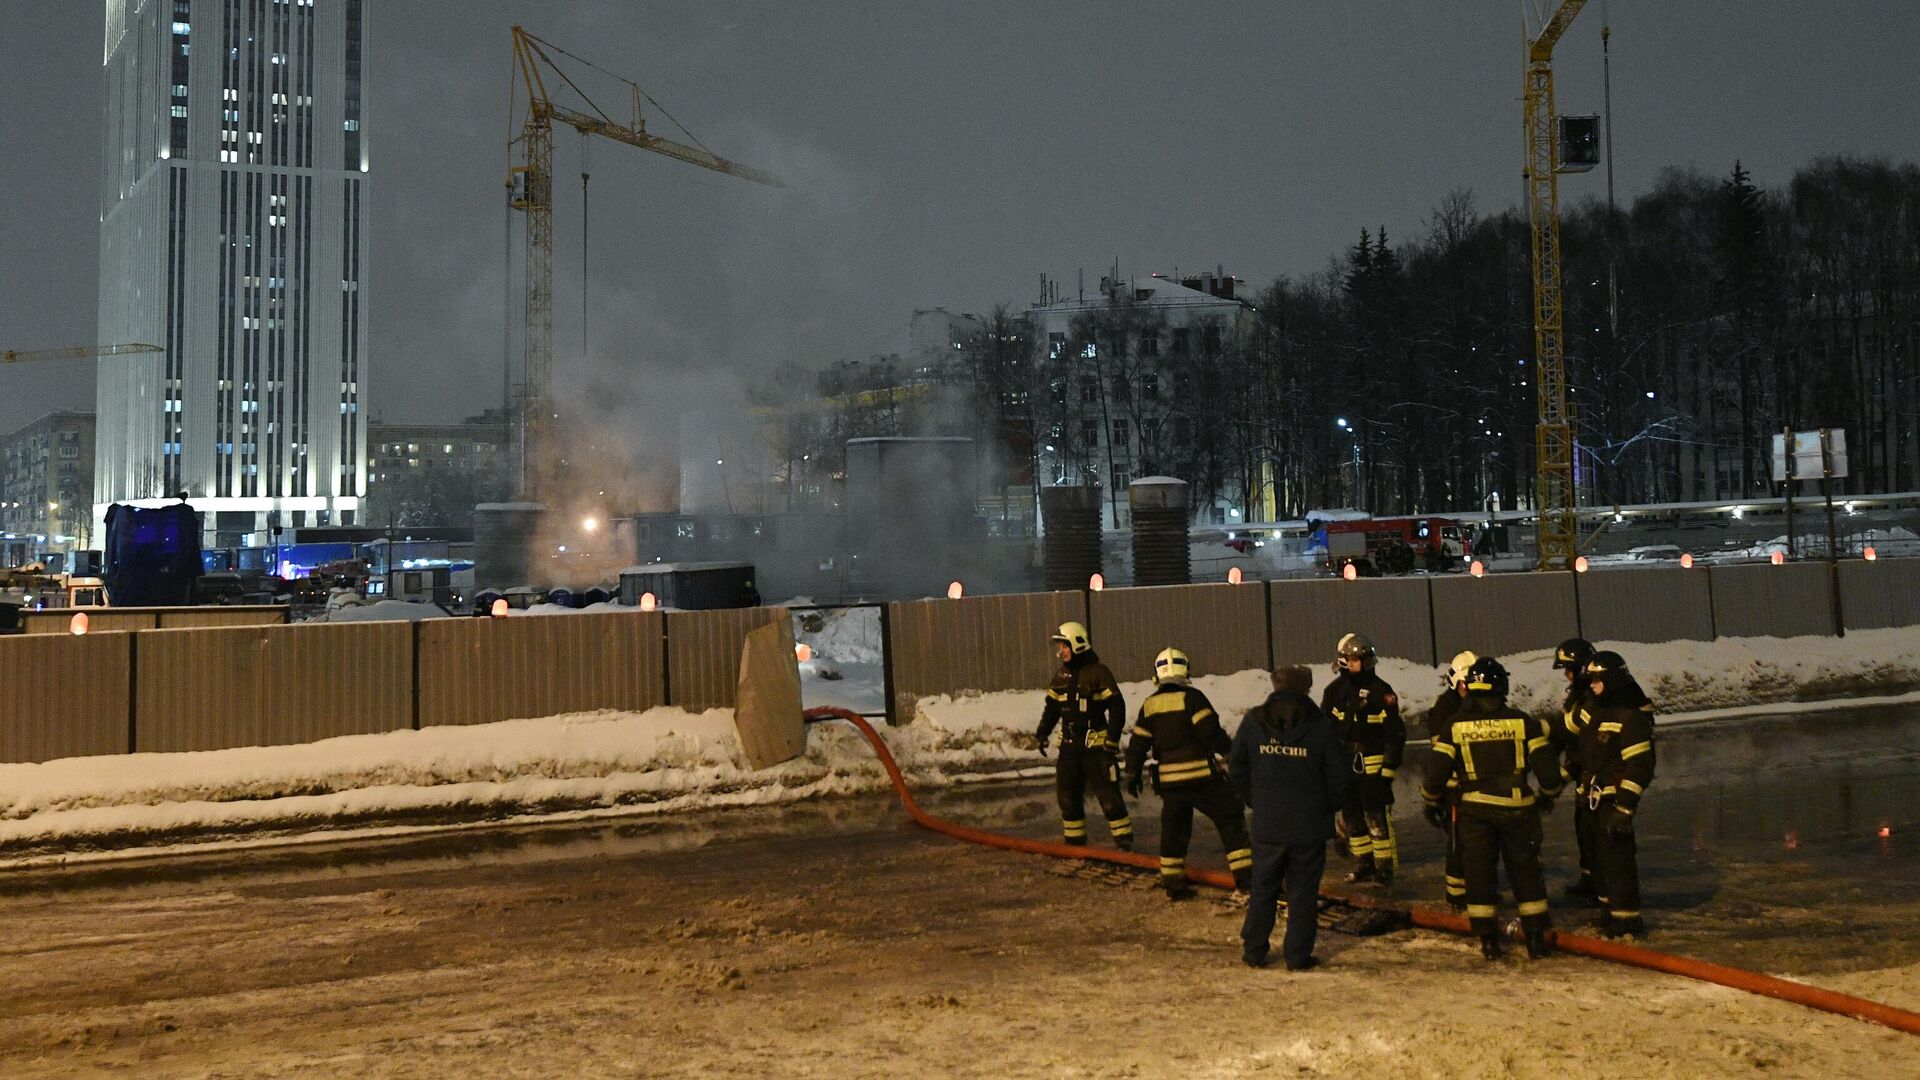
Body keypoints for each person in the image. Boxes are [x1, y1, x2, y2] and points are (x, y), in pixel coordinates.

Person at [1421, 656, 1562, 960]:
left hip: (1475, 811)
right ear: (1502, 686)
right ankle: (1535, 938)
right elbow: (1549, 774)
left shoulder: (1454, 725)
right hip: (1518, 808)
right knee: (1526, 872)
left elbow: (1436, 774)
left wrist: (1430, 800)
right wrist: (1547, 796)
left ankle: (1488, 941)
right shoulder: (1523, 721)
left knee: (1480, 873)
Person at [1231, 665, 1350, 971]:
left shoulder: (1253, 722)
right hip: (1308, 827)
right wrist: (1326, 807)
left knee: (1263, 888)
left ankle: (1254, 949)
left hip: (1268, 824)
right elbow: (1339, 778)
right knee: (1302, 893)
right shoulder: (1321, 726)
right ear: (1306, 689)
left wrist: (1256, 801)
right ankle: (1297, 955)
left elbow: (1237, 769)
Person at [1124, 648, 1253, 899]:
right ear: (1185, 669)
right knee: (1230, 819)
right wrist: (1234, 757)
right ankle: (1246, 882)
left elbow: (1138, 743)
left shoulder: (1150, 704)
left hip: (1171, 784)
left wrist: (1132, 772)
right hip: (1202, 779)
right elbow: (1211, 734)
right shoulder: (1194, 698)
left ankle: (1173, 883)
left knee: (1174, 830)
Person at [1577, 650, 1657, 938]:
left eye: (1597, 679)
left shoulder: (1630, 717)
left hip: (1613, 801)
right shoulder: (1592, 709)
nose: (1592, 684)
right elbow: (1570, 735)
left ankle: (1626, 921)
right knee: (1598, 860)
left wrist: (1625, 808)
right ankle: (1608, 912)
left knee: (1618, 862)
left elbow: (1640, 767)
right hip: (1591, 798)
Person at [1034, 621, 1133, 850]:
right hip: (1069, 750)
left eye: (1064, 646)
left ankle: (1124, 842)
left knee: (1108, 798)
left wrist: (1111, 741)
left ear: (1077, 644)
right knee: (1067, 799)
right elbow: (1051, 709)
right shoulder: (1061, 677)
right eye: (1059, 646)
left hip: (1096, 750)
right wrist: (1042, 733)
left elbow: (1117, 707)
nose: (1060, 651)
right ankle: (1075, 843)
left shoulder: (1099, 673)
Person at [1320, 633, 1405, 885]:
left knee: (1376, 815)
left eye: (1361, 659)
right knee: (1353, 815)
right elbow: (1326, 730)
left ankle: (1384, 867)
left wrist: (1388, 768)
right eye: (1353, 659)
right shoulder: (1334, 691)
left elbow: (1395, 733)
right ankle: (1364, 863)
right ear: (1343, 661)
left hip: (1373, 760)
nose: (1358, 663)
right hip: (1345, 761)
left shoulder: (1382, 691)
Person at [1424, 650, 1477, 911]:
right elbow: (1442, 756)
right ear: (1455, 682)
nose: (1470, 689)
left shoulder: (1480, 705)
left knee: (1477, 844)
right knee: (1458, 843)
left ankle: (1475, 889)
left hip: (1477, 787)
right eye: (1466, 684)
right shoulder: (1443, 710)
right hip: (1454, 789)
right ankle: (1457, 895)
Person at [1551, 637, 1600, 900]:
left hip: (1595, 775)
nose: (1566, 675)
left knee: (1594, 830)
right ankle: (1589, 879)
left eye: (1568, 669)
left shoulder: (1593, 696)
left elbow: (1576, 734)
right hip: (1582, 771)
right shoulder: (1579, 694)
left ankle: (1599, 885)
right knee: (1583, 827)